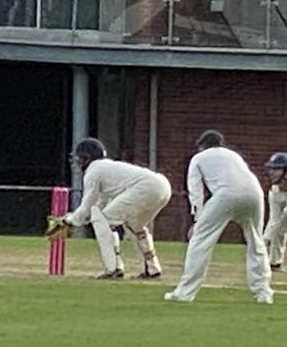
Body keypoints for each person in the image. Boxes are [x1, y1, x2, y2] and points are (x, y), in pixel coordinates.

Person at [164, 130, 273, 303]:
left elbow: (195, 191)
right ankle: (263, 293)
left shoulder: (198, 158)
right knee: (256, 242)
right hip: (255, 193)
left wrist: (197, 220)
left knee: (200, 241)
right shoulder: (234, 155)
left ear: (202, 146)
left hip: (226, 194)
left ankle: (184, 293)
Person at [61, 138, 172, 279]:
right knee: (134, 225)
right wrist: (78, 219)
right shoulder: (106, 168)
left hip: (146, 187)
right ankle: (152, 269)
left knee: (104, 220)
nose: (77, 162)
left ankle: (113, 269)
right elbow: (99, 204)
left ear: (87, 158)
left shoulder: (93, 170)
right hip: (162, 186)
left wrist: (69, 221)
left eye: (80, 158)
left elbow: (87, 206)